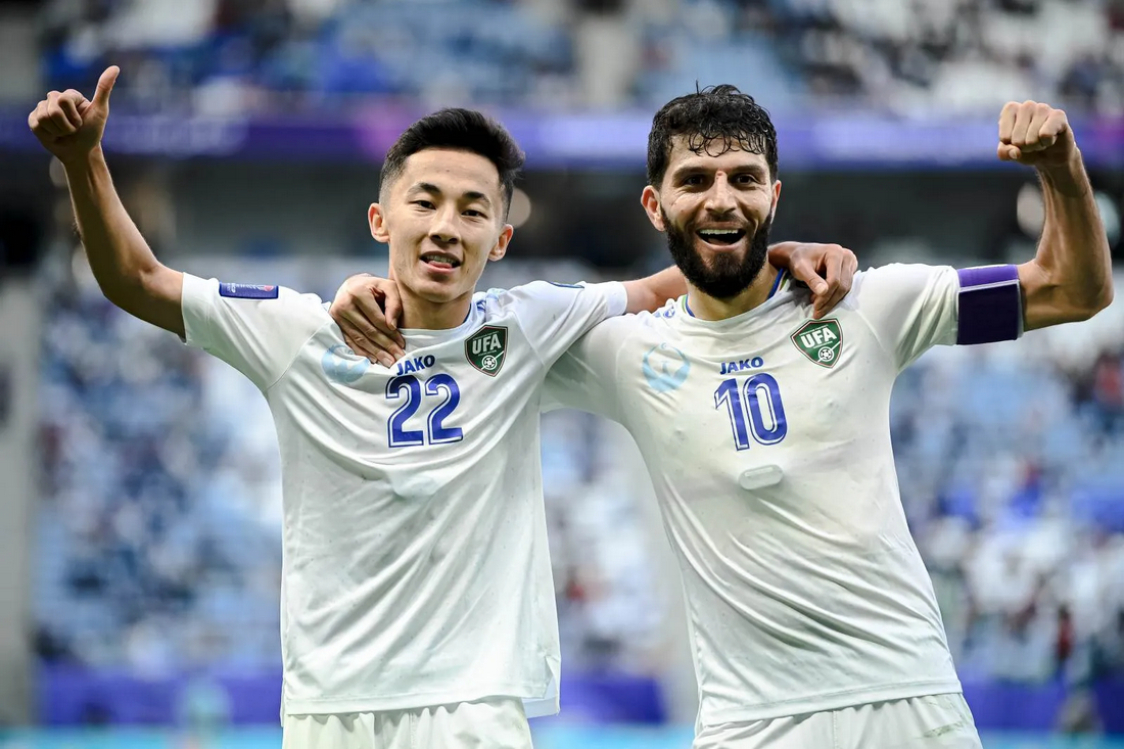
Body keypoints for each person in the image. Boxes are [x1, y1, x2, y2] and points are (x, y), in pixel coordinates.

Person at [27, 69, 858, 748]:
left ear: (501, 238)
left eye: (473, 210)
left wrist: (777, 252)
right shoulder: (297, 331)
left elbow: (669, 283)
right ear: (380, 218)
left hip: (473, 710)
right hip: (330, 712)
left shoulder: (530, 323)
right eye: (425, 202)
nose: (446, 227)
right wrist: (84, 162)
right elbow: (137, 281)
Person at [332, 85, 1113, 748]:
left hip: (908, 705)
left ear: (774, 196)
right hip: (748, 725)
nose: (721, 198)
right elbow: (456, 335)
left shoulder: (869, 304)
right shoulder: (618, 350)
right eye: (695, 180)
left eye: (744, 178)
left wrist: (1061, 169)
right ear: (655, 205)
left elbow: (1073, 290)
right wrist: (369, 292)